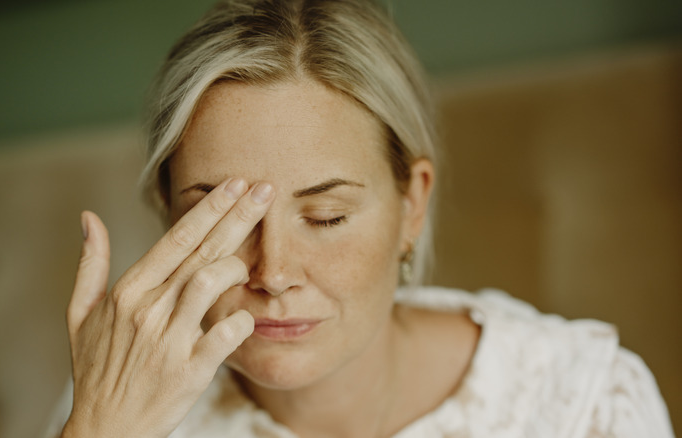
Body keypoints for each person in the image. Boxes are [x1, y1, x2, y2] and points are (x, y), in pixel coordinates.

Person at [45, 0, 675, 437]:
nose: (274, 273)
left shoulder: (586, 403)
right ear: (168, 215)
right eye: (225, 220)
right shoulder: (113, 405)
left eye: (325, 216)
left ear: (413, 205)